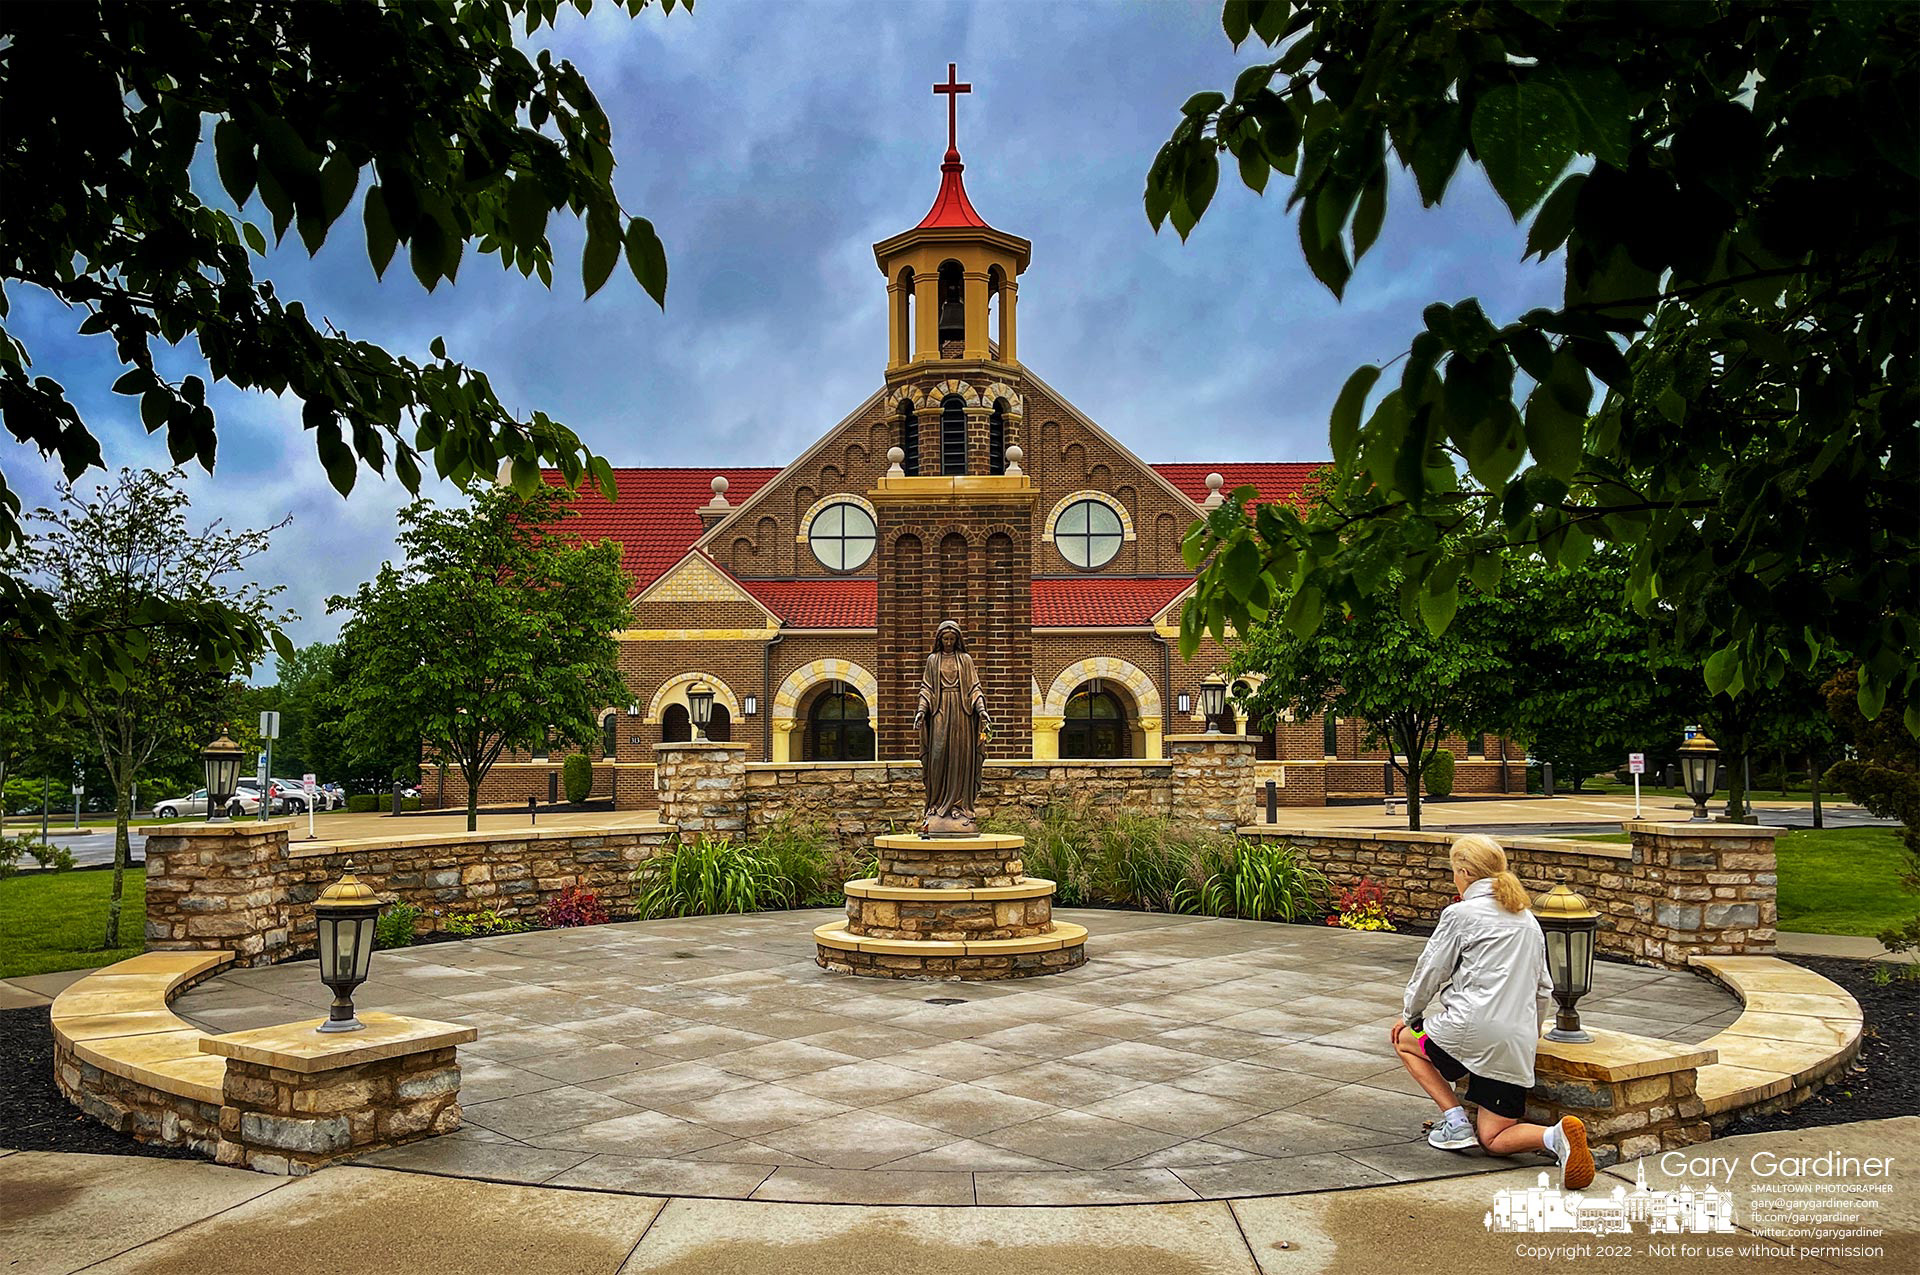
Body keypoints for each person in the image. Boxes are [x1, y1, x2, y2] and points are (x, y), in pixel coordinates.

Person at [1390, 834, 1596, 1190]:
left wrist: (1410, 1015)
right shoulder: (1528, 920)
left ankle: (1454, 1120)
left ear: (1466, 872)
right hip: (1514, 1041)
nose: (1454, 877)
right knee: (1495, 1138)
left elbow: (1430, 972)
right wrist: (1528, 1034)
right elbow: (1543, 989)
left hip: (1466, 1030)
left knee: (1406, 1039)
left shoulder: (1461, 914)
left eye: (1455, 871)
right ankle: (1555, 1136)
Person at [912, 620, 990, 834]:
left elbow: (975, 687)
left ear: (957, 640)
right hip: (939, 713)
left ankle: (959, 806)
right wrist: (921, 711)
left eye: (952, 639)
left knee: (959, 758)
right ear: (939, 640)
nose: (948, 642)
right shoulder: (932, 660)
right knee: (937, 757)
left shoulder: (965, 660)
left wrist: (981, 710)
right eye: (945, 639)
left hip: (962, 715)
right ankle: (936, 806)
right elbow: (926, 689)